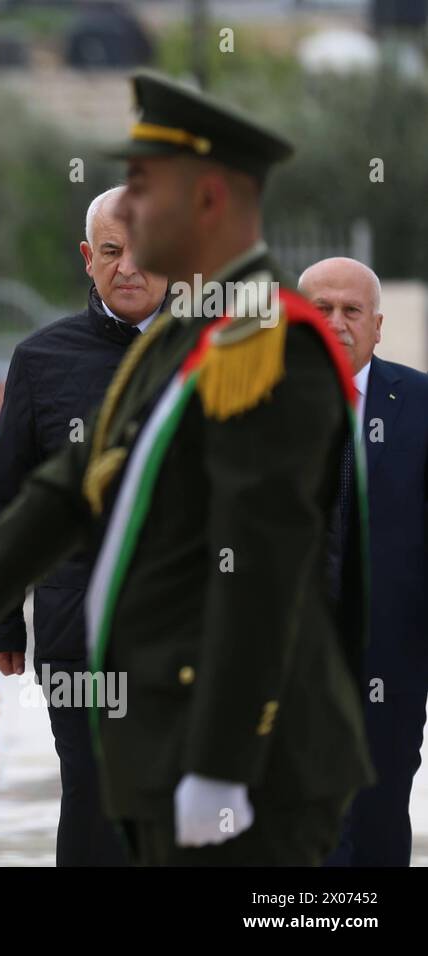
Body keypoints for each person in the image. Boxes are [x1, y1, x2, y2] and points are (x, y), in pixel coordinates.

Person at [0, 70, 373, 866]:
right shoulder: (174, 341)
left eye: (148, 189)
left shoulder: (268, 342)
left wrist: (218, 759)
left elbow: (264, 564)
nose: (132, 213)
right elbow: (68, 488)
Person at [0, 184, 167, 865]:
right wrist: (0, 621)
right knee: (92, 800)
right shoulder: (41, 360)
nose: (128, 267)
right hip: (77, 636)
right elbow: (4, 495)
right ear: (89, 258)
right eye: (112, 251)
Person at [299, 257, 428, 867]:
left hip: (391, 666)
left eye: (352, 310)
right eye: (320, 309)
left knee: (377, 825)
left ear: (378, 326)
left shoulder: (422, 405)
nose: (336, 322)